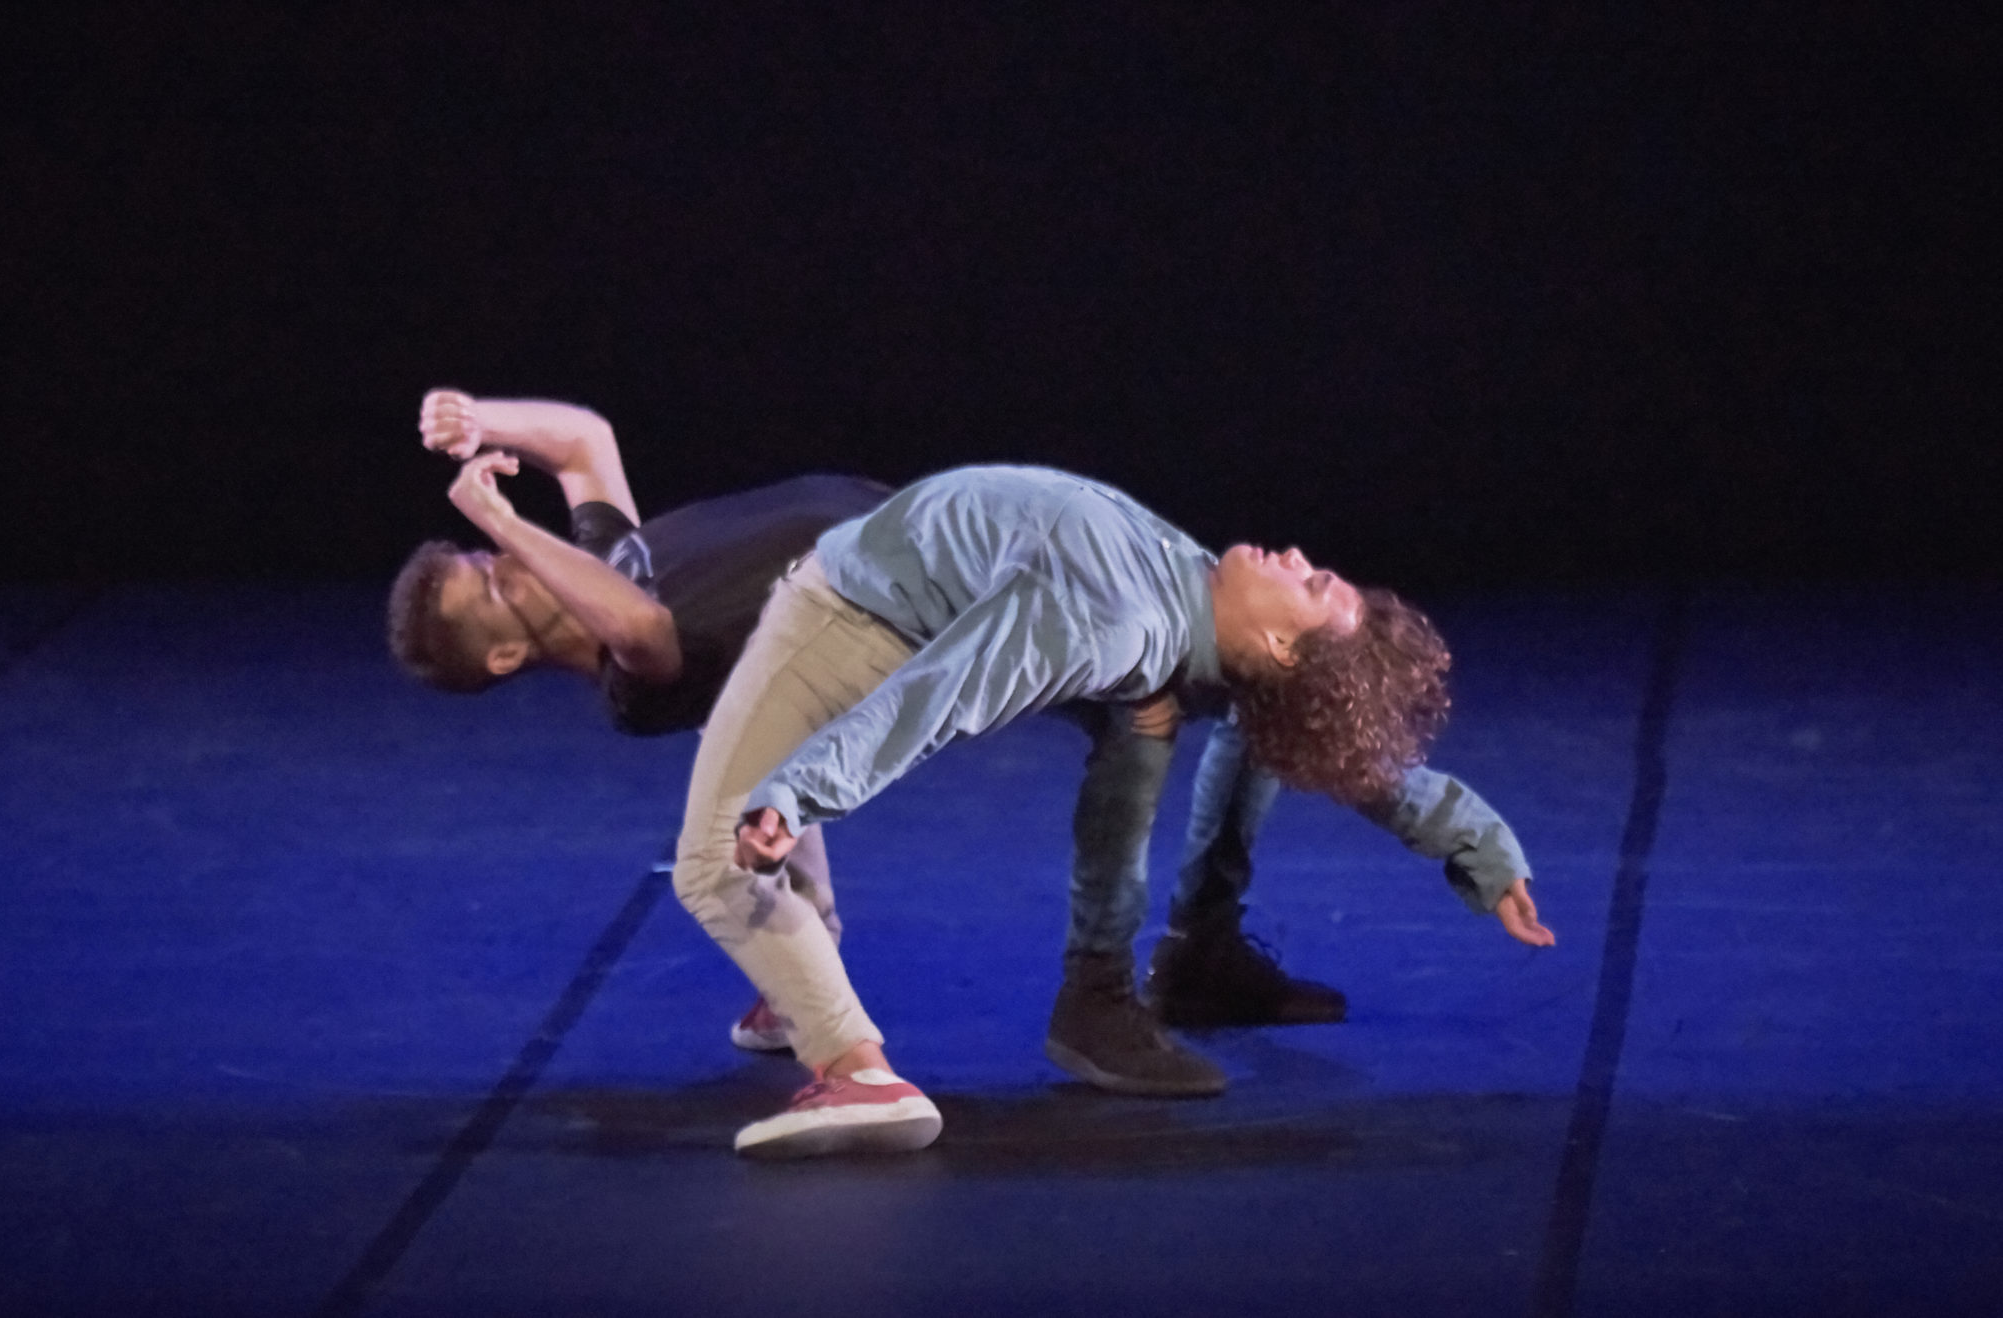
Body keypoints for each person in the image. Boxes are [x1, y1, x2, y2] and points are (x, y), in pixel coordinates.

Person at [672, 465, 1553, 1160]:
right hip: (893, 599)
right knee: (1175, 713)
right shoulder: (1181, 602)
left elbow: (949, 689)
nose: (1294, 554)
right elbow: (1311, 727)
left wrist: (806, 787)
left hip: (855, 620)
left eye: (1313, 582)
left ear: (1283, 641)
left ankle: (858, 1072)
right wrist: (803, 785)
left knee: (713, 860)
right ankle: (1100, 983)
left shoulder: (1120, 624)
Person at [385, 392, 1250, 1093]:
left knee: (1217, 682)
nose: (510, 561)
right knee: (1204, 681)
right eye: (492, 582)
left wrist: (481, 420)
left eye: (490, 553)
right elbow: (644, 629)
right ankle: (1099, 993)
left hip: (930, 543)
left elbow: (583, 442)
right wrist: (503, 523)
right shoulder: (627, 681)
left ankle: (1188, 955)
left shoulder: (611, 554)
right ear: (505, 655)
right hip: (932, 607)